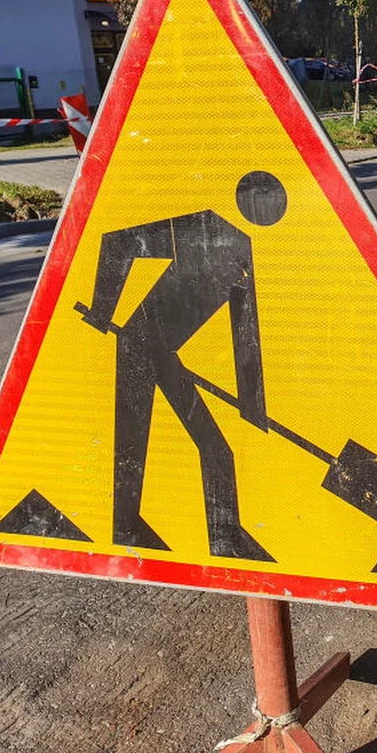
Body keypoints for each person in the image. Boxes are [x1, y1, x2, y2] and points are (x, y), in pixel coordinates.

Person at [77, 171, 290, 562]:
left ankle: (216, 537)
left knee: (210, 451)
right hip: (138, 344)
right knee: (133, 442)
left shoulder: (243, 254)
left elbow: (245, 336)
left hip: (163, 353)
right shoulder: (201, 224)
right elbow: (119, 242)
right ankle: (133, 528)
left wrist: (252, 410)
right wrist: (102, 309)